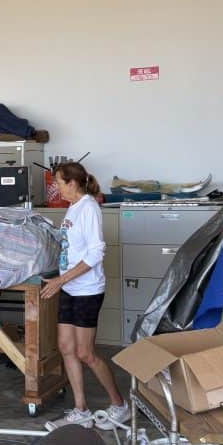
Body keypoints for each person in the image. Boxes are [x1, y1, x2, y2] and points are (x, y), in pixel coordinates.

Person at [40, 162, 128, 431]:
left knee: (85, 353)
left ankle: (119, 405)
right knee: (66, 348)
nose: (55, 187)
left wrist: (61, 280)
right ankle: (81, 410)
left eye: (59, 182)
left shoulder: (89, 207)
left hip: (87, 290)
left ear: (73, 183)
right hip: (69, 288)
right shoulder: (73, 208)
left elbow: (95, 253)